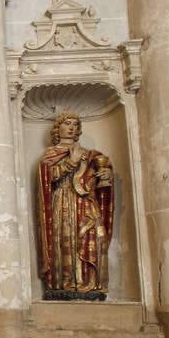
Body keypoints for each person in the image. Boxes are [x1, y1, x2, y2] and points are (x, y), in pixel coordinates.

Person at [37, 112, 113, 300]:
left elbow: (95, 179)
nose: (71, 128)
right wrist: (71, 161)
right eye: (67, 124)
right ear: (58, 128)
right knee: (65, 238)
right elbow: (49, 178)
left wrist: (105, 176)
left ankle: (90, 282)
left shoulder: (90, 155)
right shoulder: (51, 154)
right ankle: (65, 282)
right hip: (63, 200)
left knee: (92, 236)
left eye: (75, 124)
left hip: (86, 201)